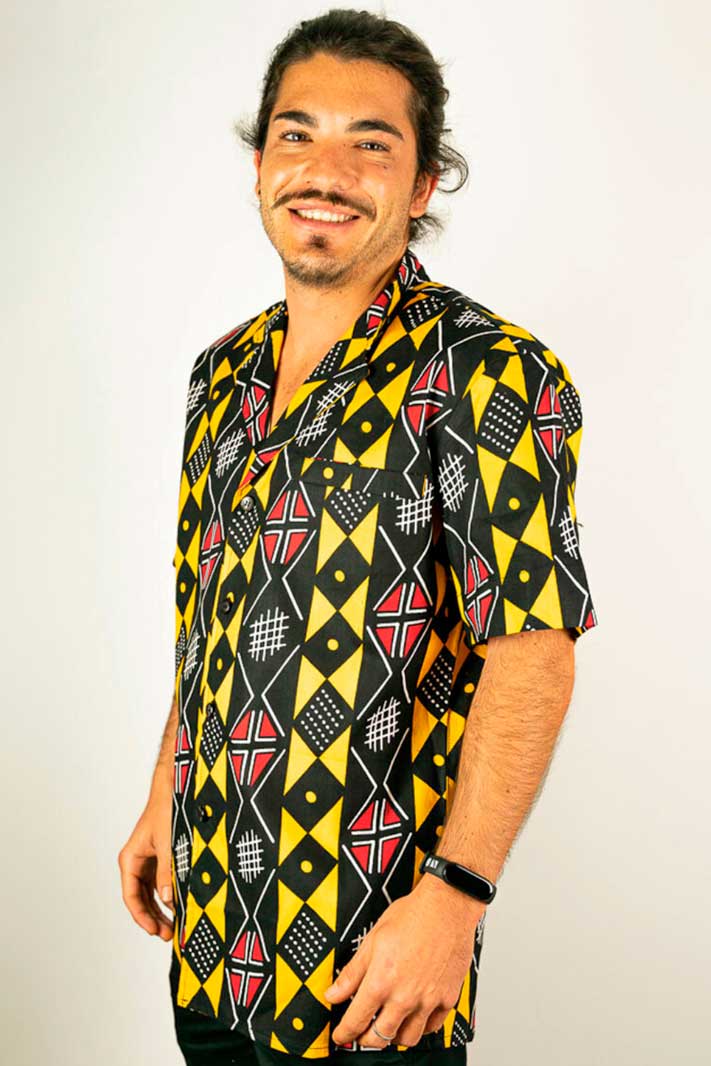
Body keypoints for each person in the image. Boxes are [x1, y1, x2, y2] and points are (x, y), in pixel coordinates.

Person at [118, 9, 598, 1064]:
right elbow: (212, 614)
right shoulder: (221, 375)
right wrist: (164, 790)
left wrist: (457, 896)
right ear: (260, 165)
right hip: (212, 939)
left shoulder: (485, 371)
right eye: (296, 134)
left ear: (423, 184)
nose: (324, 171)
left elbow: (533, 650)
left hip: (372, 968)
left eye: (370, 144)